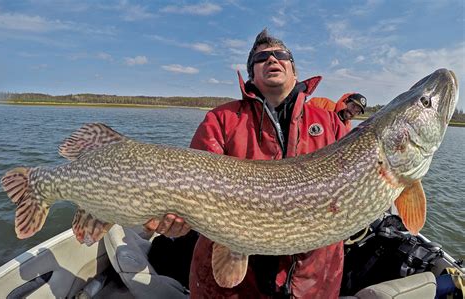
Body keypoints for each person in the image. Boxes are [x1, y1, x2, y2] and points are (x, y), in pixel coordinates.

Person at [145, 28, 348, 298]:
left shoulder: (331, 124)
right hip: (231, 284)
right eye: (261, 58)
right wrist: (178, 218)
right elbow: (193, 189)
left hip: (312, 282)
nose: (272, 60)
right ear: (252, 74)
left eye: (280, 55)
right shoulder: (221, 120)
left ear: (294, 71)